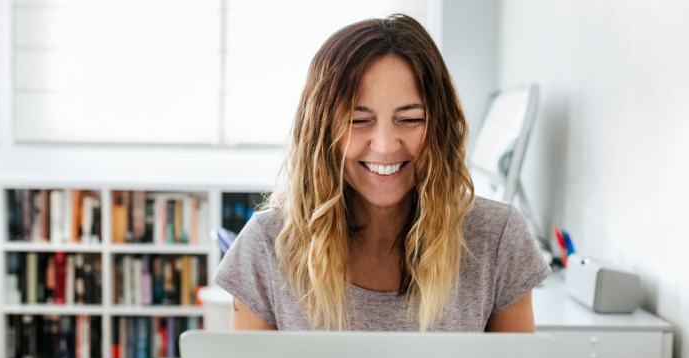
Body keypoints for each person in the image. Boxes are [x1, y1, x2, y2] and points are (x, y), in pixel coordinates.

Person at [215, 14, 549, 332]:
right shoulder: (267, 243)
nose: (386, 145)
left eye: (410, 119)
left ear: (440, 127)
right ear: (320, 132)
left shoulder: (498, 238)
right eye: (358, 120)